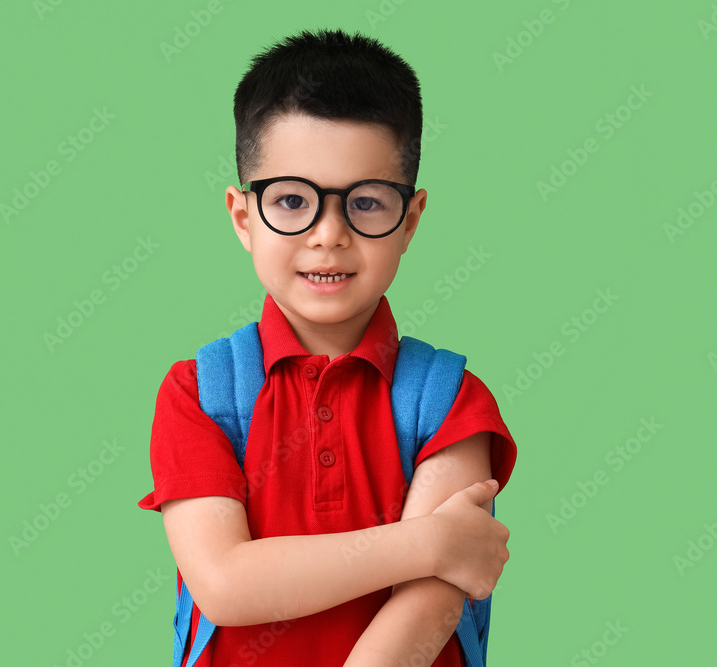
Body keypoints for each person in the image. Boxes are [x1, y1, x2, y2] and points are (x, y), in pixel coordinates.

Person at [137, 28, 517, 666]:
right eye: (291, 201)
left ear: (411, 219)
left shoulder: (449, 400)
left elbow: (431, 605)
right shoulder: (199, 392)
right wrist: (430, 542)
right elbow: (225, 584)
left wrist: (436, 556)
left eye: (366, 203)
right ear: (242, 216)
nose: (328, 235)